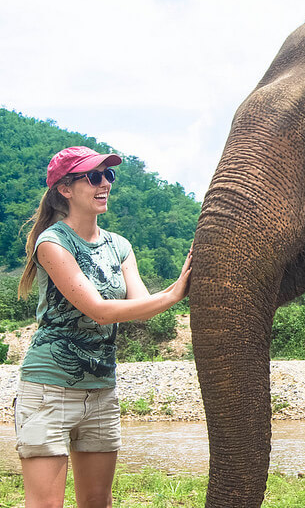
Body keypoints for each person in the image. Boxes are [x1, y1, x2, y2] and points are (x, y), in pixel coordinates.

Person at [15, 146, 192, 508]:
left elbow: (139, 308)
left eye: (108, 176)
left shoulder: (120, 246)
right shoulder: (53, 242)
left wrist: (180, 286)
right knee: (46, 504)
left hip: (101, 389)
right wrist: (174, 293)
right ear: (65, 188)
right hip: (50, 388)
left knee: (97, 501)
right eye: (94, 177)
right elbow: (98, 310)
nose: (105, 184)